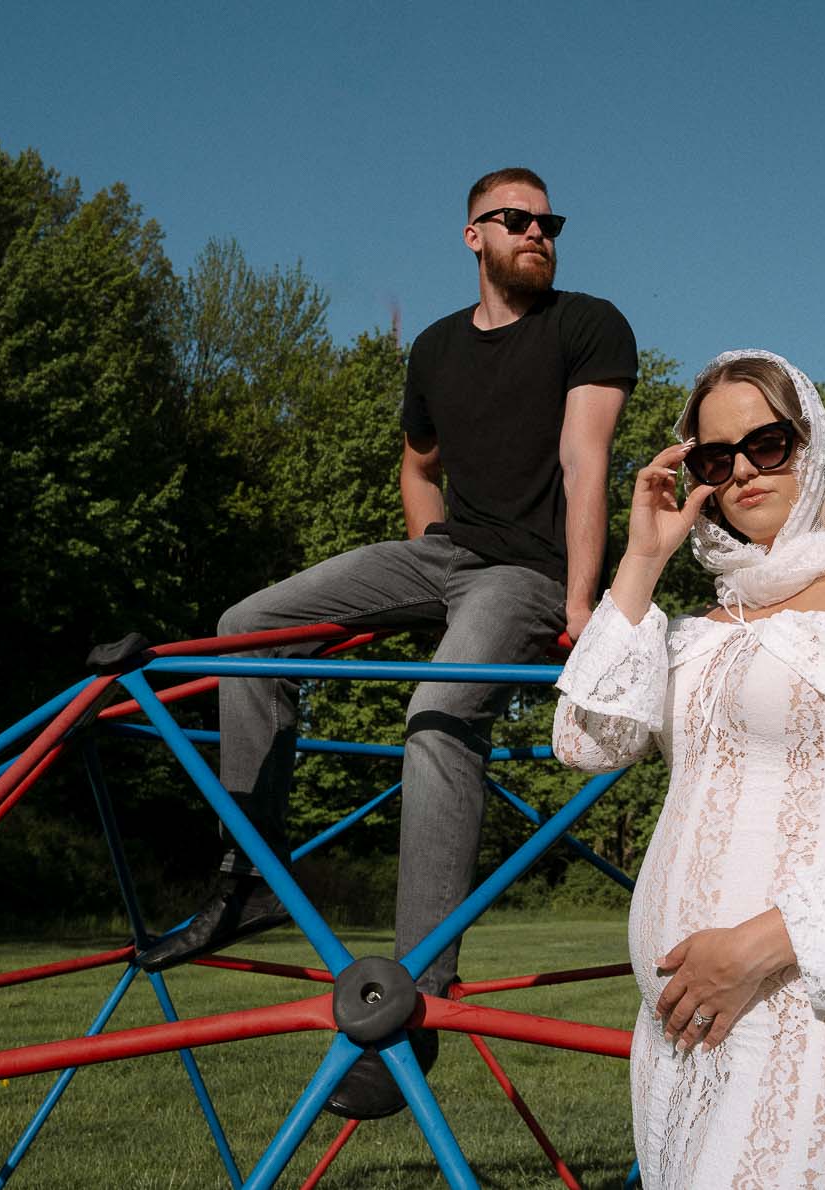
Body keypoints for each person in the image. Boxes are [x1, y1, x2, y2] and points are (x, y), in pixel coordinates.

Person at [138, 168, 636, 1122]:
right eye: (517, 220)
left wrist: (582, 607)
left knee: (437, 712)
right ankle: (248, 879)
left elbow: (586, 461)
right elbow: (418, 464)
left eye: (550, 221)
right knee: (248, 628)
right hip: (444, 556)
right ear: (472, 236)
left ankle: (412, 1001)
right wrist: (423, 569)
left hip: (526, 572)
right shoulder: (440, 348)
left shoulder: (587, 324)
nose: (539, 232)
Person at [551, 349, 825, 1187]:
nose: (741, 471)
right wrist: (641, 563)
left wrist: (749, 950)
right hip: (684, 1031)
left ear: (811, 446)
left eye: (766, 444)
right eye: (714, 457)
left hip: (818, 1011)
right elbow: (587, 743)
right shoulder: (701, 621)